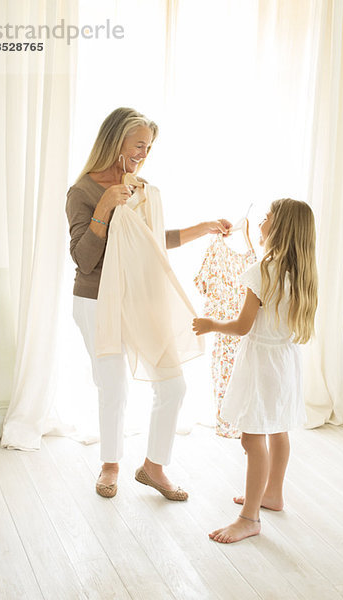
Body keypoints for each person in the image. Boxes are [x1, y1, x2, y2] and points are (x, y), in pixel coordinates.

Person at [66, 107, 232, 501]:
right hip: (95, 300)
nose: (144, 153)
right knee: (113, 386)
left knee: (173, 385)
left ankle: (154, 467)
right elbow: (84, 258)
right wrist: (105, 207)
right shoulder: (83, 192)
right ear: (115, 141)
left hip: (139, 299)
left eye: (149, 146)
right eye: (139, 144)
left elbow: (156, 240)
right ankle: (110, 464)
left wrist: (204, 227)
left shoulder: (143, 189)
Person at [193, 198, 317, 542]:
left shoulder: (262, 271)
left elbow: (243, 326)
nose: (261, 221)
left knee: (252, 436)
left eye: (266, 217)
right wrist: (248, 239)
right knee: (277, 430)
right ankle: (273, 493)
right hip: (285, 362)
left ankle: (249, 518)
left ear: (277, 229)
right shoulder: (301, 272)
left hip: (261, 364)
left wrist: (211, 324)